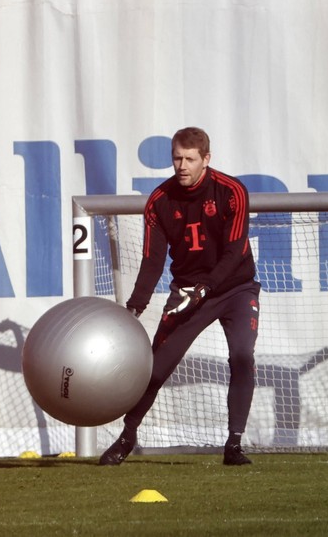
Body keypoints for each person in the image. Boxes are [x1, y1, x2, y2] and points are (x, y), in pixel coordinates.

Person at [99, 126, 261, 466]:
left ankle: (233, 444)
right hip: (188, 292)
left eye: (190, 159)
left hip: (235, 288)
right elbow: (152, 260)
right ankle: (128, 435)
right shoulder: (160, 201)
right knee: (155, 369)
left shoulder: (232, 192)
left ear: (206, 159)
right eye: (177, 158)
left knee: (242, 356)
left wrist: (208, 287)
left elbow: (234, 253)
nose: (182, 166)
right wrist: (135, 306)